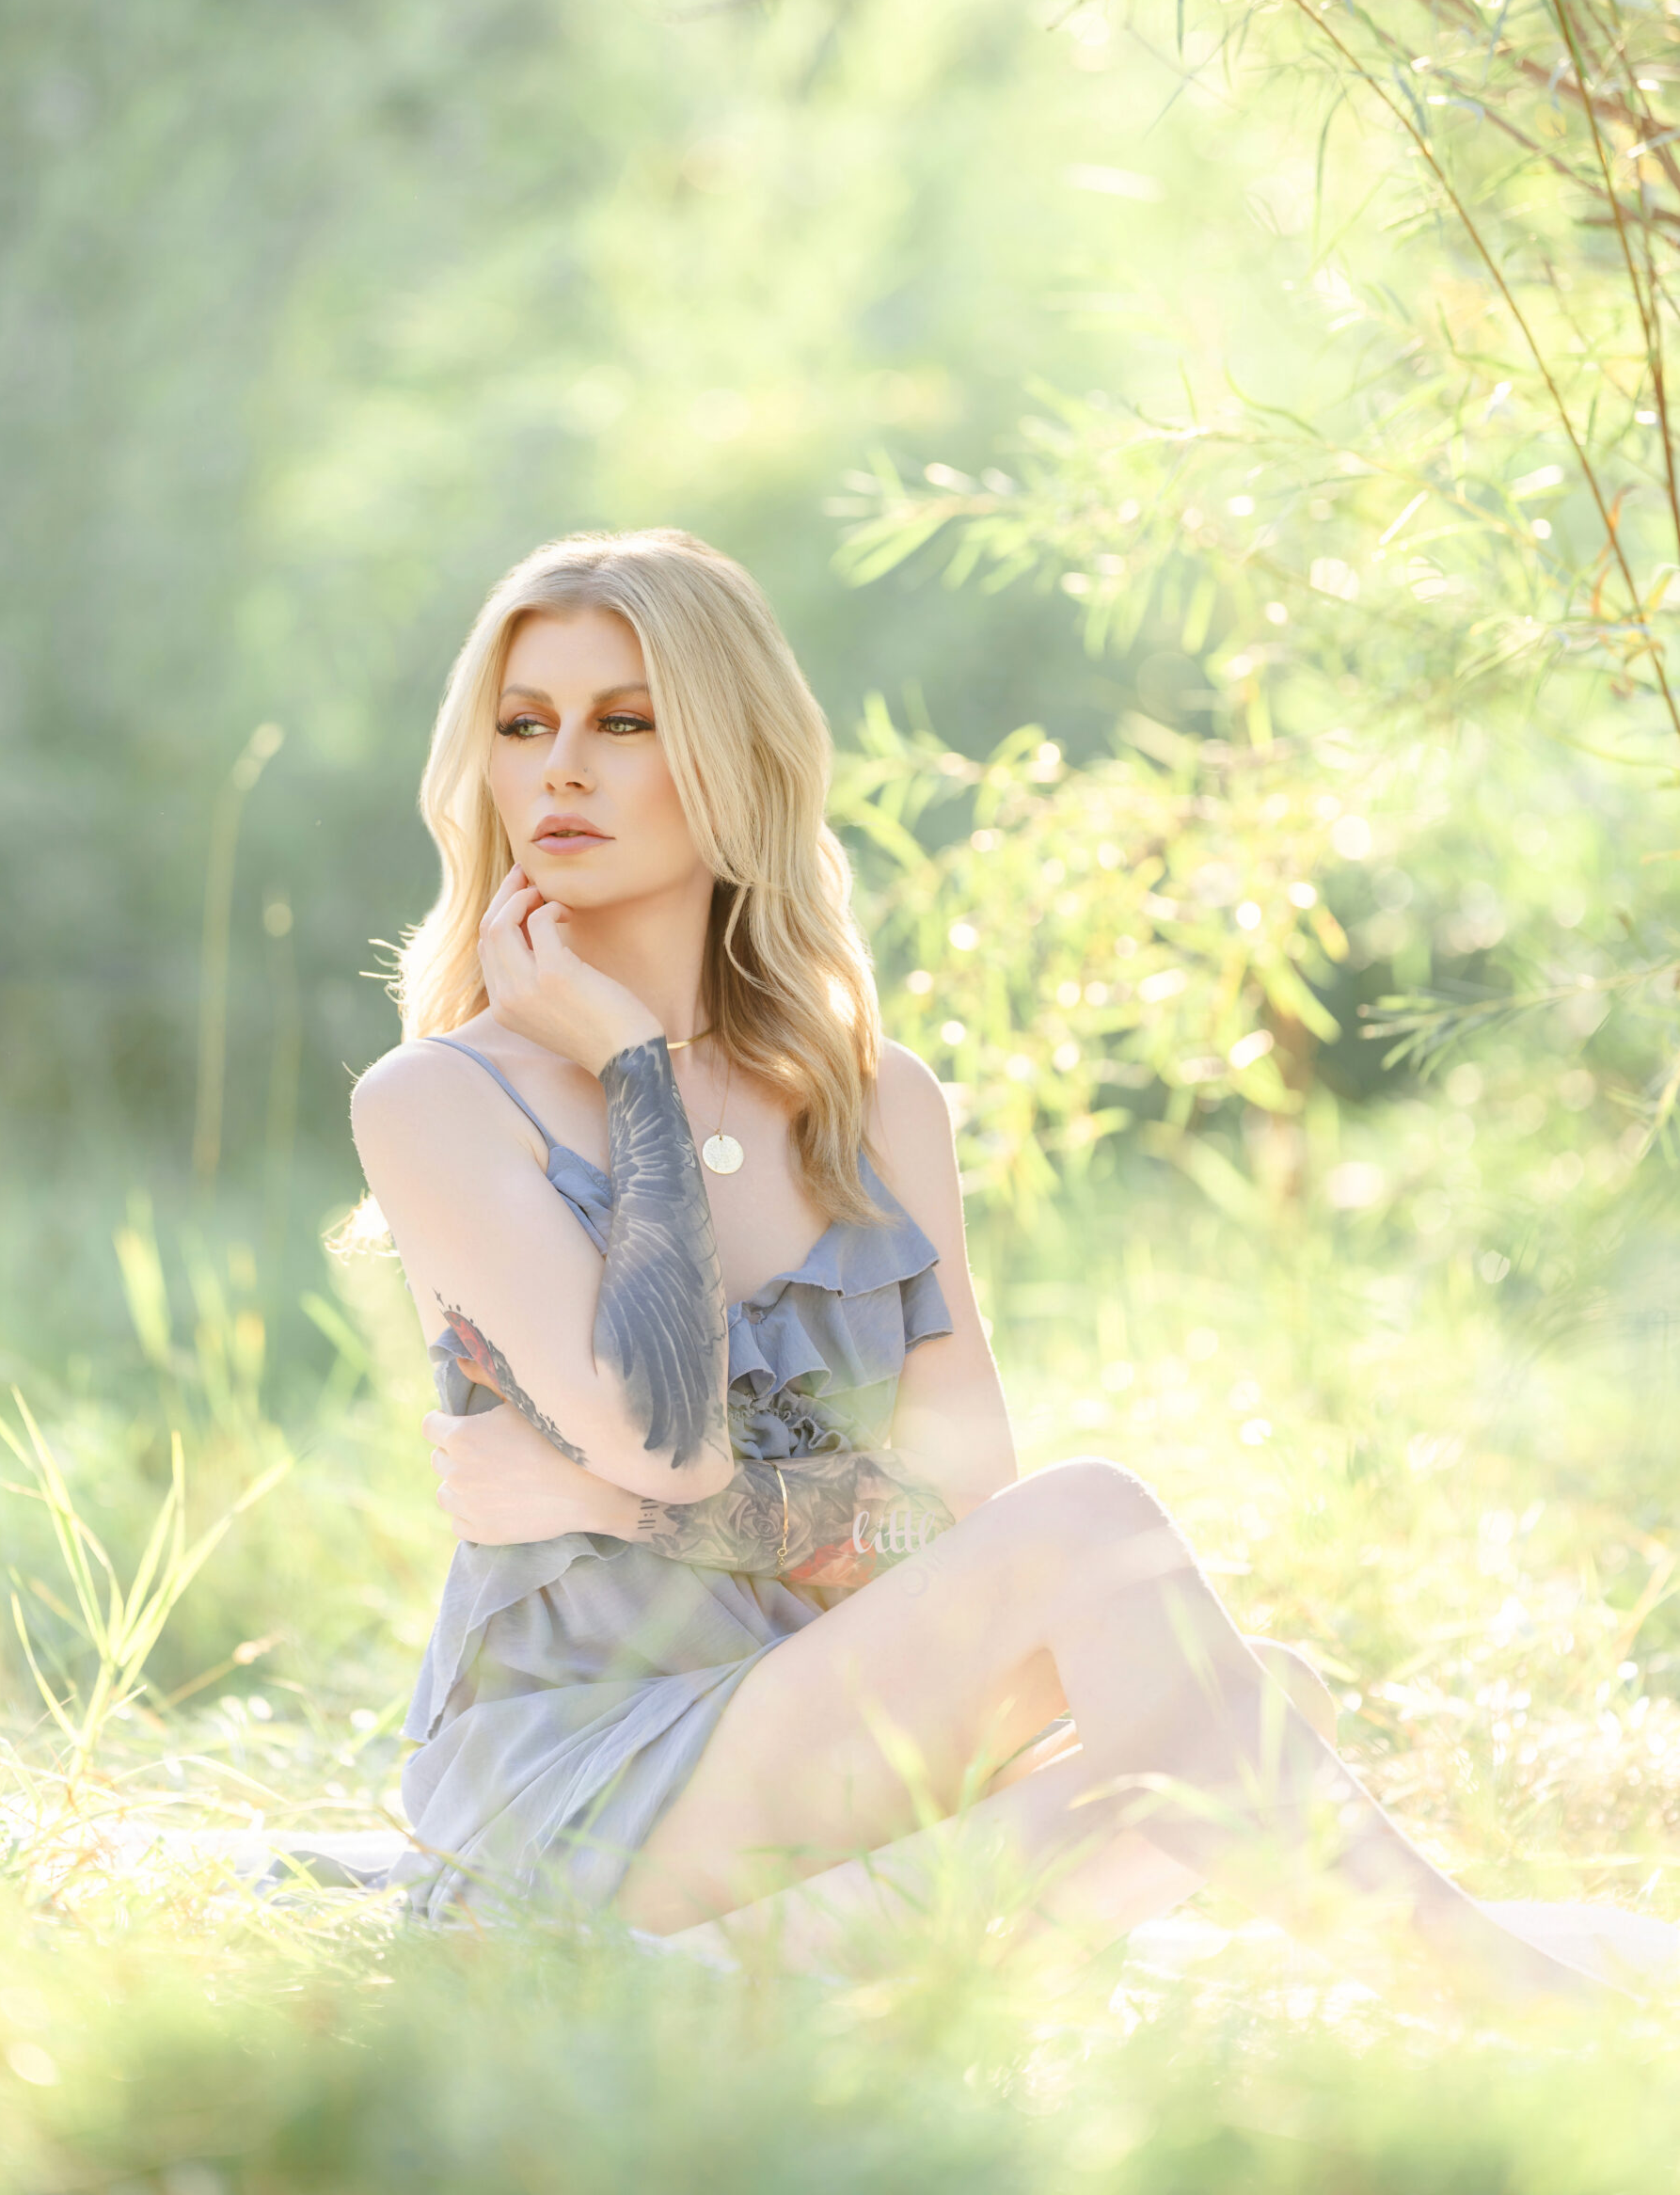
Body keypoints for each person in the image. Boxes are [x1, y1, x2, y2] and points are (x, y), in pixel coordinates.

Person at [349, 525, 1613, 2007]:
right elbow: (672, 1439)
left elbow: (959, 1500)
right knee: (1107, 1538)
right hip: (585, 1783)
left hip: (798, 1741)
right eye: (525, 725)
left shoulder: (878, 1106)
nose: (562, 767)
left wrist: (606, 1505)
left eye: (624, 721)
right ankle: (1506, 1997)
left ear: (734, 757)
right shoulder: (440, 1100)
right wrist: (633, 1070)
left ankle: (731, 1990)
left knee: (1253, 1705)